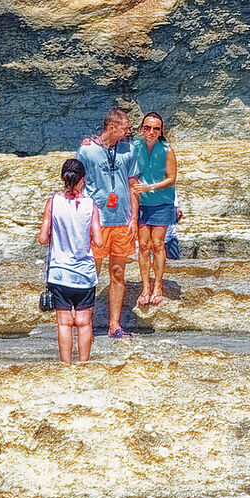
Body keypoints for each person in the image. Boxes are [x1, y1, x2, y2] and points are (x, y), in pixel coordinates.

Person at [76, 109, 143, 339]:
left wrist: (134, 218)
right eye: (125, 127)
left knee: (118, 273)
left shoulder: (129, 150)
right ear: (112, 127)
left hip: (122, 221)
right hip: (96, 222)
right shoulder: (86, 151)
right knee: (90, 273)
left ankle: (114, 325)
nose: (129, 131)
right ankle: (85, 322)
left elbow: (133, 185)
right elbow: (78, 184)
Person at [37, 157, 104, 363]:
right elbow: (99, 241)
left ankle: (66, 367)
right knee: (84, 322)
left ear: (62, 178)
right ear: (83, 179)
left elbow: (42, 238)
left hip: (59, 273)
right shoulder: (90, 205)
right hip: (84, 274)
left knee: (64, 322)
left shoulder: (52, 202)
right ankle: (84, 366)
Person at [132, 112, 178, 307]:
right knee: (143, 245)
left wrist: (149, 187)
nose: (151, 131)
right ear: (141, 128)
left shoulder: (167, 149)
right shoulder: (134, 147)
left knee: (158, 244)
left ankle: (158, 286)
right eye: (147, 127)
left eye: (156, 128)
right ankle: (145, 288)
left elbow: (172, 178)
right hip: (142, 204)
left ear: (161, 131)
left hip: (161, 203)